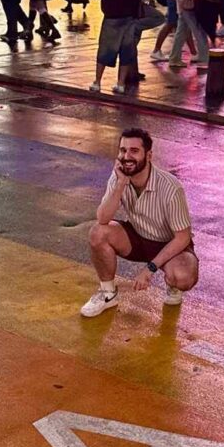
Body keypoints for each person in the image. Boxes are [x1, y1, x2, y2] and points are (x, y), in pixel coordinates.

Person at [81, 127, 198, 318]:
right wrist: (120, 185)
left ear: (149, 155)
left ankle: (173, 285)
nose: (126, 156)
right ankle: (108, 294)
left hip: (169, 244)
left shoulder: (170, 187)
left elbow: (182, 237)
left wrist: (150, 268)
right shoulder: (119, 176)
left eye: (134, 151)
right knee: (98, 232)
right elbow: (103, 218)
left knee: (182, 277)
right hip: (137, 237)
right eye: (122, 150)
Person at [89, 0, 143, 94]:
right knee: (126, 51)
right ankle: (120, 83)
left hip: (111, 18)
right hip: (129, 18)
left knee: (105, 50)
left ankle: (98, 82)